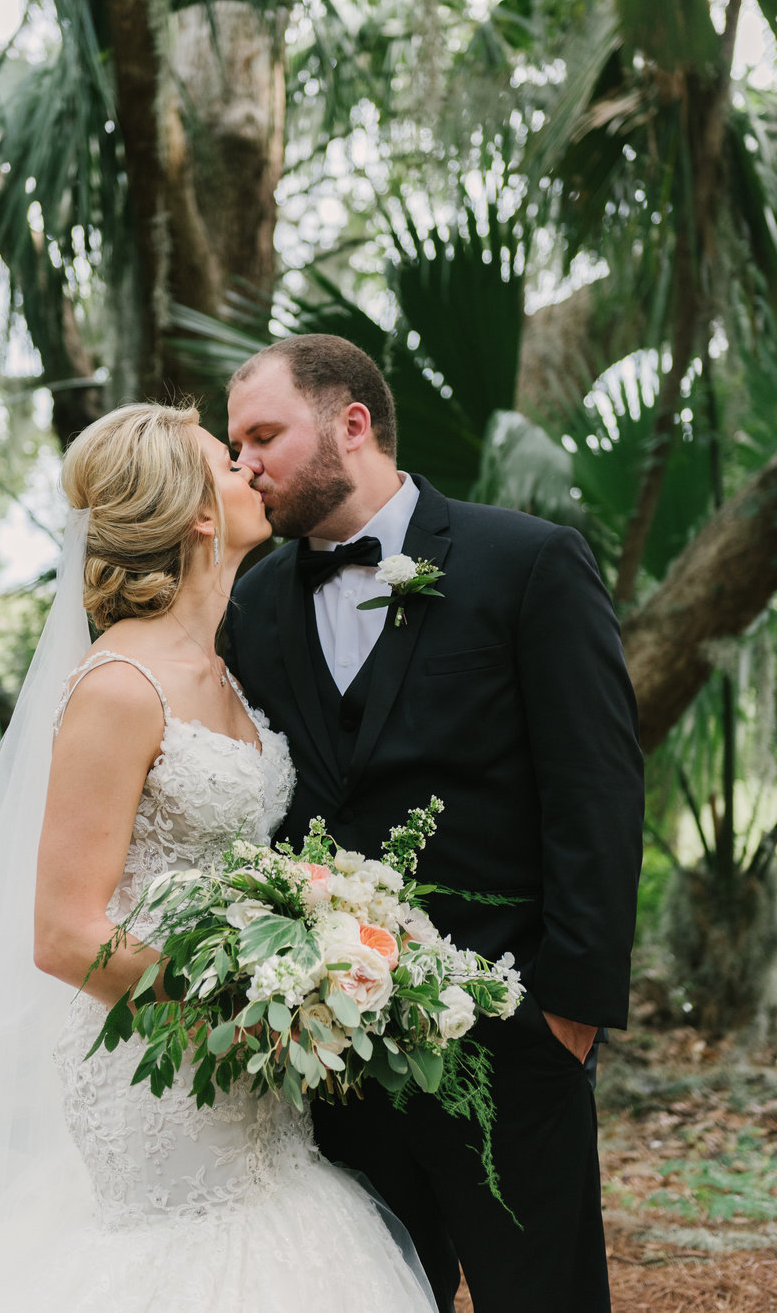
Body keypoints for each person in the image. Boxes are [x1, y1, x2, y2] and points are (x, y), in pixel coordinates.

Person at [0, 402, 436, 1313]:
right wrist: (238, 1010)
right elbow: (61, 931)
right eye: (227, 464)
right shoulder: (120, 688)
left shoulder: (223, 668)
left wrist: (298, 976)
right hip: (158, 1053)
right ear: (198, 514)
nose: (250, 469)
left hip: (255, 1062)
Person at [224, 334, 645, 1313]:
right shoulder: (250, 605)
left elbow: (595, 785)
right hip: (333, 1065)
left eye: (263, 434)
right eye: (235, 441)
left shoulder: (527, 563)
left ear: (351, 424)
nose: (244, 463)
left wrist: (567, 1016)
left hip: (512, 1038)